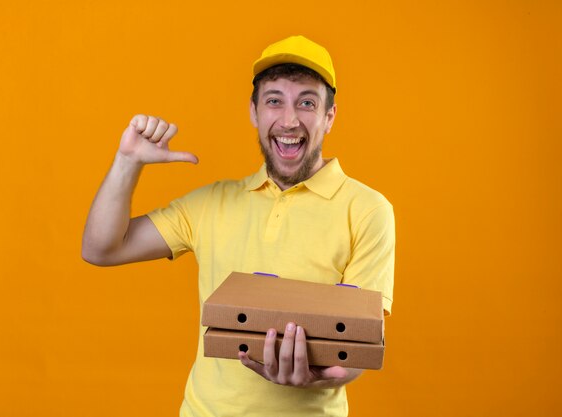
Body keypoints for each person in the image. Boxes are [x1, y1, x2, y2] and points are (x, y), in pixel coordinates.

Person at [82, 35, 395, 417]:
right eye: (274, 100)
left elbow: (360, 348)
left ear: (329, 116)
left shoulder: (367, 210)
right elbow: (101, 249)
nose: (289, 120)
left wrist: (316, 375)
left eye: (307, 103)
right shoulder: (210, 204)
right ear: (254, 112)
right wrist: (127, 162)